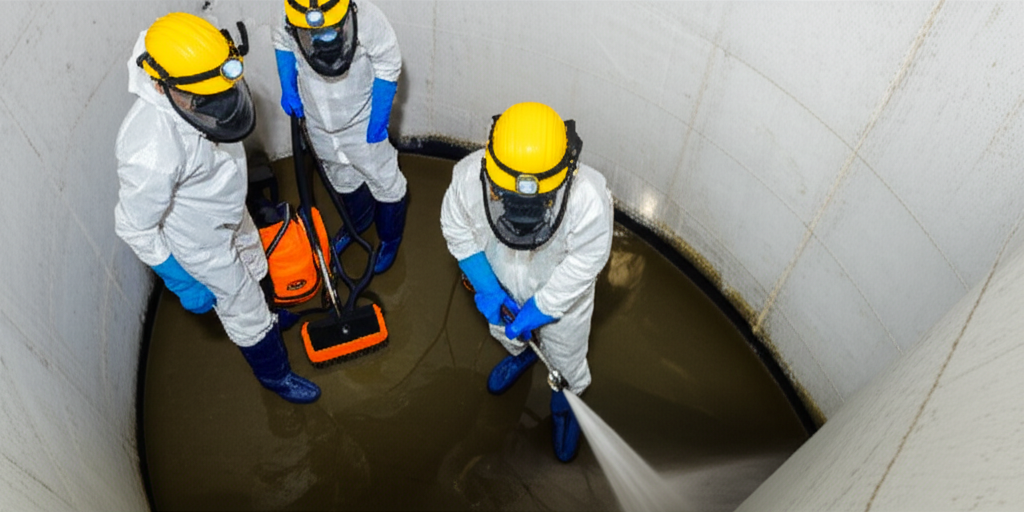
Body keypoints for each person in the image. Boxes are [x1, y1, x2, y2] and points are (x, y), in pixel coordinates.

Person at [114, 12, 320, 404]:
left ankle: (271, 318)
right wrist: (182, 280)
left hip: (230, 211)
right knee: (242, 306)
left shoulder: (192, 61)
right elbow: (134, 227)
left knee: (256, 261)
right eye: (202, 97)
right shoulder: (150, 150)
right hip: (201, 242)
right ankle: (274, 373)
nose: (219, 103)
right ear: (161, 87)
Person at [440, 102, 614, 462]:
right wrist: (487, 286)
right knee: (507, 333)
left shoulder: (589, 199)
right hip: (499, 282)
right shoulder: (467, 179)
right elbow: (457, 231)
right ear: (491, 172)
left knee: (565, 357)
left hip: (564, 300)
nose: (520, 214)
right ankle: (520, 356)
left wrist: (543, 306)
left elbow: (588, 260)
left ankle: (565, 406)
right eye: (509, 198)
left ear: (565, 177)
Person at [273, 0, 407, 274]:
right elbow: (282, 42)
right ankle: (358, 223)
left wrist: (378, 118)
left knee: (385, 180)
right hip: (319, 124)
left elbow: (388, 61)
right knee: (341, 177)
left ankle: (389, 238)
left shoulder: (367, 17)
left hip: (361, 124)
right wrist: (288, 86)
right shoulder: (288, 13)